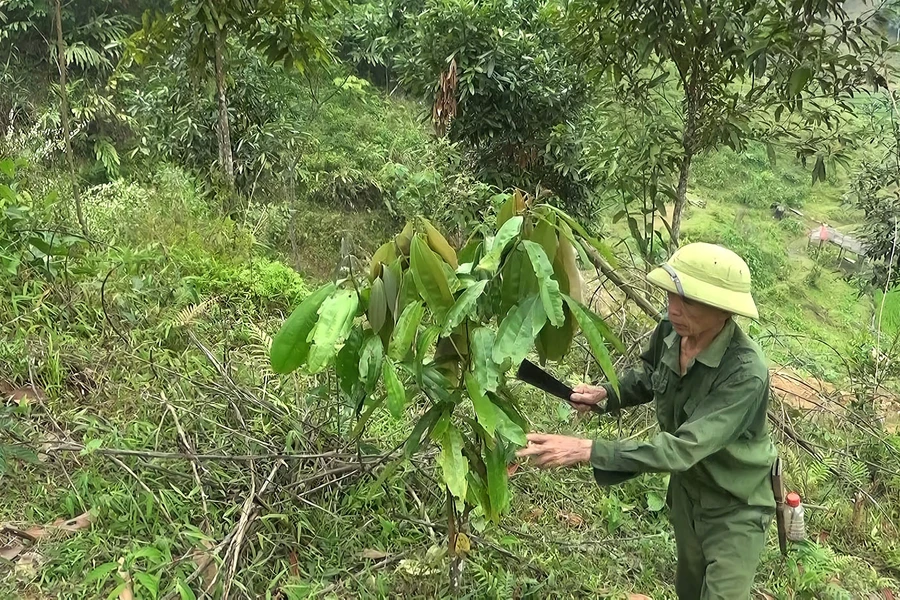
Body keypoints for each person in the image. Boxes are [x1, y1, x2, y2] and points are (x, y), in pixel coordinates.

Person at [516, 242, 777, 600]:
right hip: (688, 494)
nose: (673, 307)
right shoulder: (671, 329)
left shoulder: (745, 373)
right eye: (671, 294)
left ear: (723, 311)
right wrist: (606, 394)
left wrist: (588, 449)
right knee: (689, 591)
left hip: (735, 506)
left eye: (689, 300)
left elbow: (684, 447)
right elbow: (651, 375)